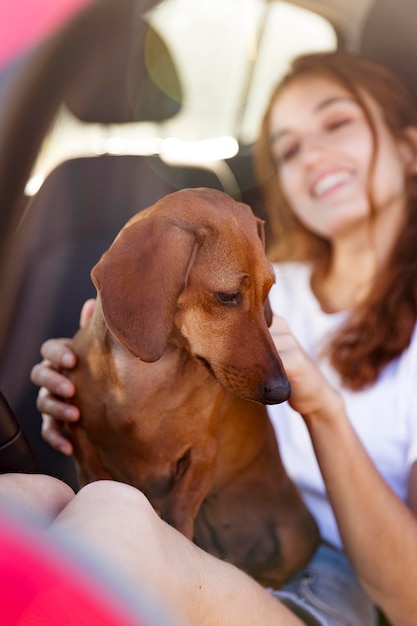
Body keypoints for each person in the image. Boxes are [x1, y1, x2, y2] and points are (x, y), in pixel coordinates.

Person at [27, 50, 417, 625]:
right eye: (287, 147)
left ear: (409, 147)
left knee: (110, 519)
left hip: (320, 579)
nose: (312, 154)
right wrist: (87, 384)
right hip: (186, 543)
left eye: (336, 123)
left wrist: (322, 408)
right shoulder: (246, 275)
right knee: (21, 497)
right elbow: (139, 362)